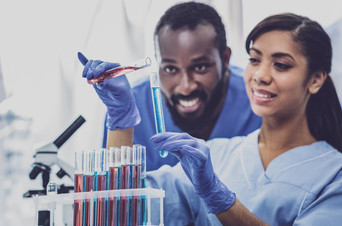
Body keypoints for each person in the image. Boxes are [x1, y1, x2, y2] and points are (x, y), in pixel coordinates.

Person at [80, 12, 342, 226]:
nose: (260, 75)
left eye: (281, 65)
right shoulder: (215, 155)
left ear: (316, 79)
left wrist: (220, 199)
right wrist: (121, 119)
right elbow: (120, 211)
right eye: (254, 60)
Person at [78, 1, 262, 171]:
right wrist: (120, 119)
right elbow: (117, 200)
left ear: (225, 59)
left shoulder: (258, 101)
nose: (186, 87)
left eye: (200, 67)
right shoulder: (131, 106)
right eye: (170, 68)